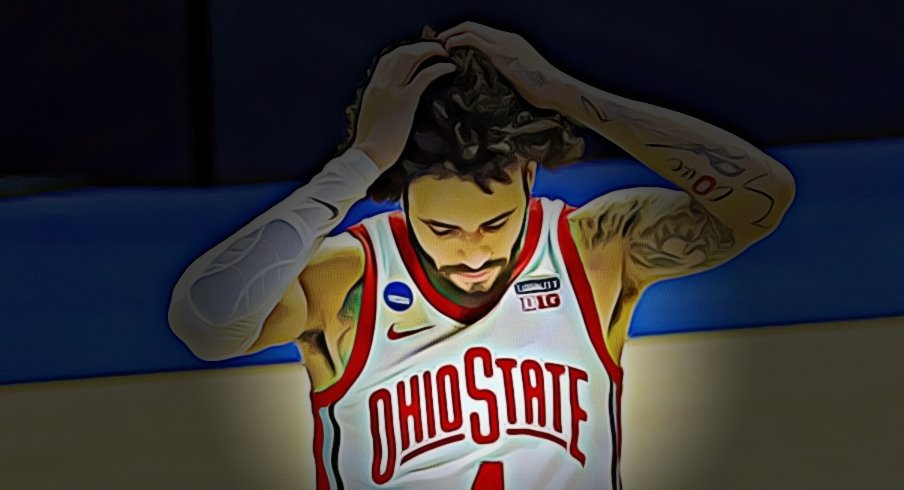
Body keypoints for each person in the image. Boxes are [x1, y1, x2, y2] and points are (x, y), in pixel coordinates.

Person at [168, 22, 795, 489]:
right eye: (440, 228)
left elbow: (762, 196)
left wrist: (564, 93)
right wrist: (356, 164)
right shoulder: (345, 278)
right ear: (398, 198)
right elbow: (204, 321)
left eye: (495, 223)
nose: (472, 251)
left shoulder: (594, 250)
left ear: (529, 176)